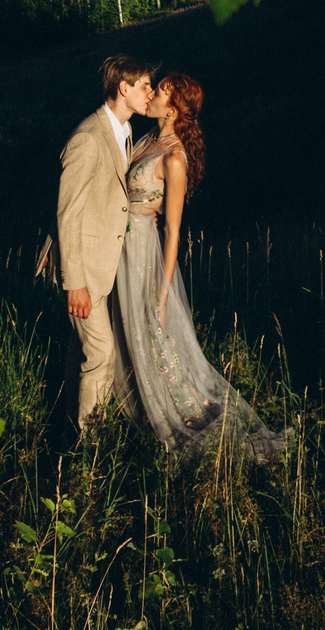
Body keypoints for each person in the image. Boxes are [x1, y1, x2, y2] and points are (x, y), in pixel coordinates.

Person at [117, 70, 288, 462]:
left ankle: (183, 415)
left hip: (142, 252)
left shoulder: (174, 157)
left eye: (162, 91)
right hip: (120, 246)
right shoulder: (146, 138)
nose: (153, 94)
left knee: (152, 335)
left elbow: (173, 231)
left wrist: (163, 295)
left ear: (174, 108)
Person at [55, 54, 154, 430]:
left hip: (105, 268)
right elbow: (68, 214)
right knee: (101, 354)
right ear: (124, 88)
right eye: (145, 85)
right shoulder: (88, 138)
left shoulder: (124, 132)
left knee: (78, 353)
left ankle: (68, 433)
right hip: (84, 272)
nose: (150, 92)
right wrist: (74, 282)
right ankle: (90, 449)